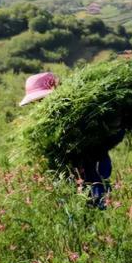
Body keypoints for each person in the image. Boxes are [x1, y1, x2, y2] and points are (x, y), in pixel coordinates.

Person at [19, 72, 123, 209]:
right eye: (36, 103)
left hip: (92, 178)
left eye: (41, 100)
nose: (38, 106)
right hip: (67, 185)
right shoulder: (44, 126)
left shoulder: (80, 117)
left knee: (96, 210)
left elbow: (114, 136)